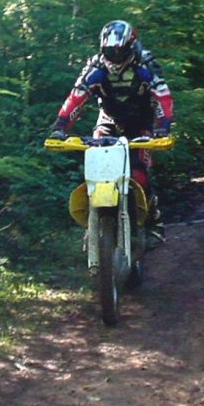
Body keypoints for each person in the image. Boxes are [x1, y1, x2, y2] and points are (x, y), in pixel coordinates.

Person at [49, 20, 175, 248]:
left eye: (120, 52)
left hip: (141, 121)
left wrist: (163, 127)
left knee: (139, 171)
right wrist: (60, 126)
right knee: (97, 163)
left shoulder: (146, 64)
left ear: (132, 47)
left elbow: (162, 96)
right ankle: (93, 224)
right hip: (108, 118)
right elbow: (77, 96)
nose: (115, 57)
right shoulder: (96, 67)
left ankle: (154, 221)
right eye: (109, 52)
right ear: (102, 49)